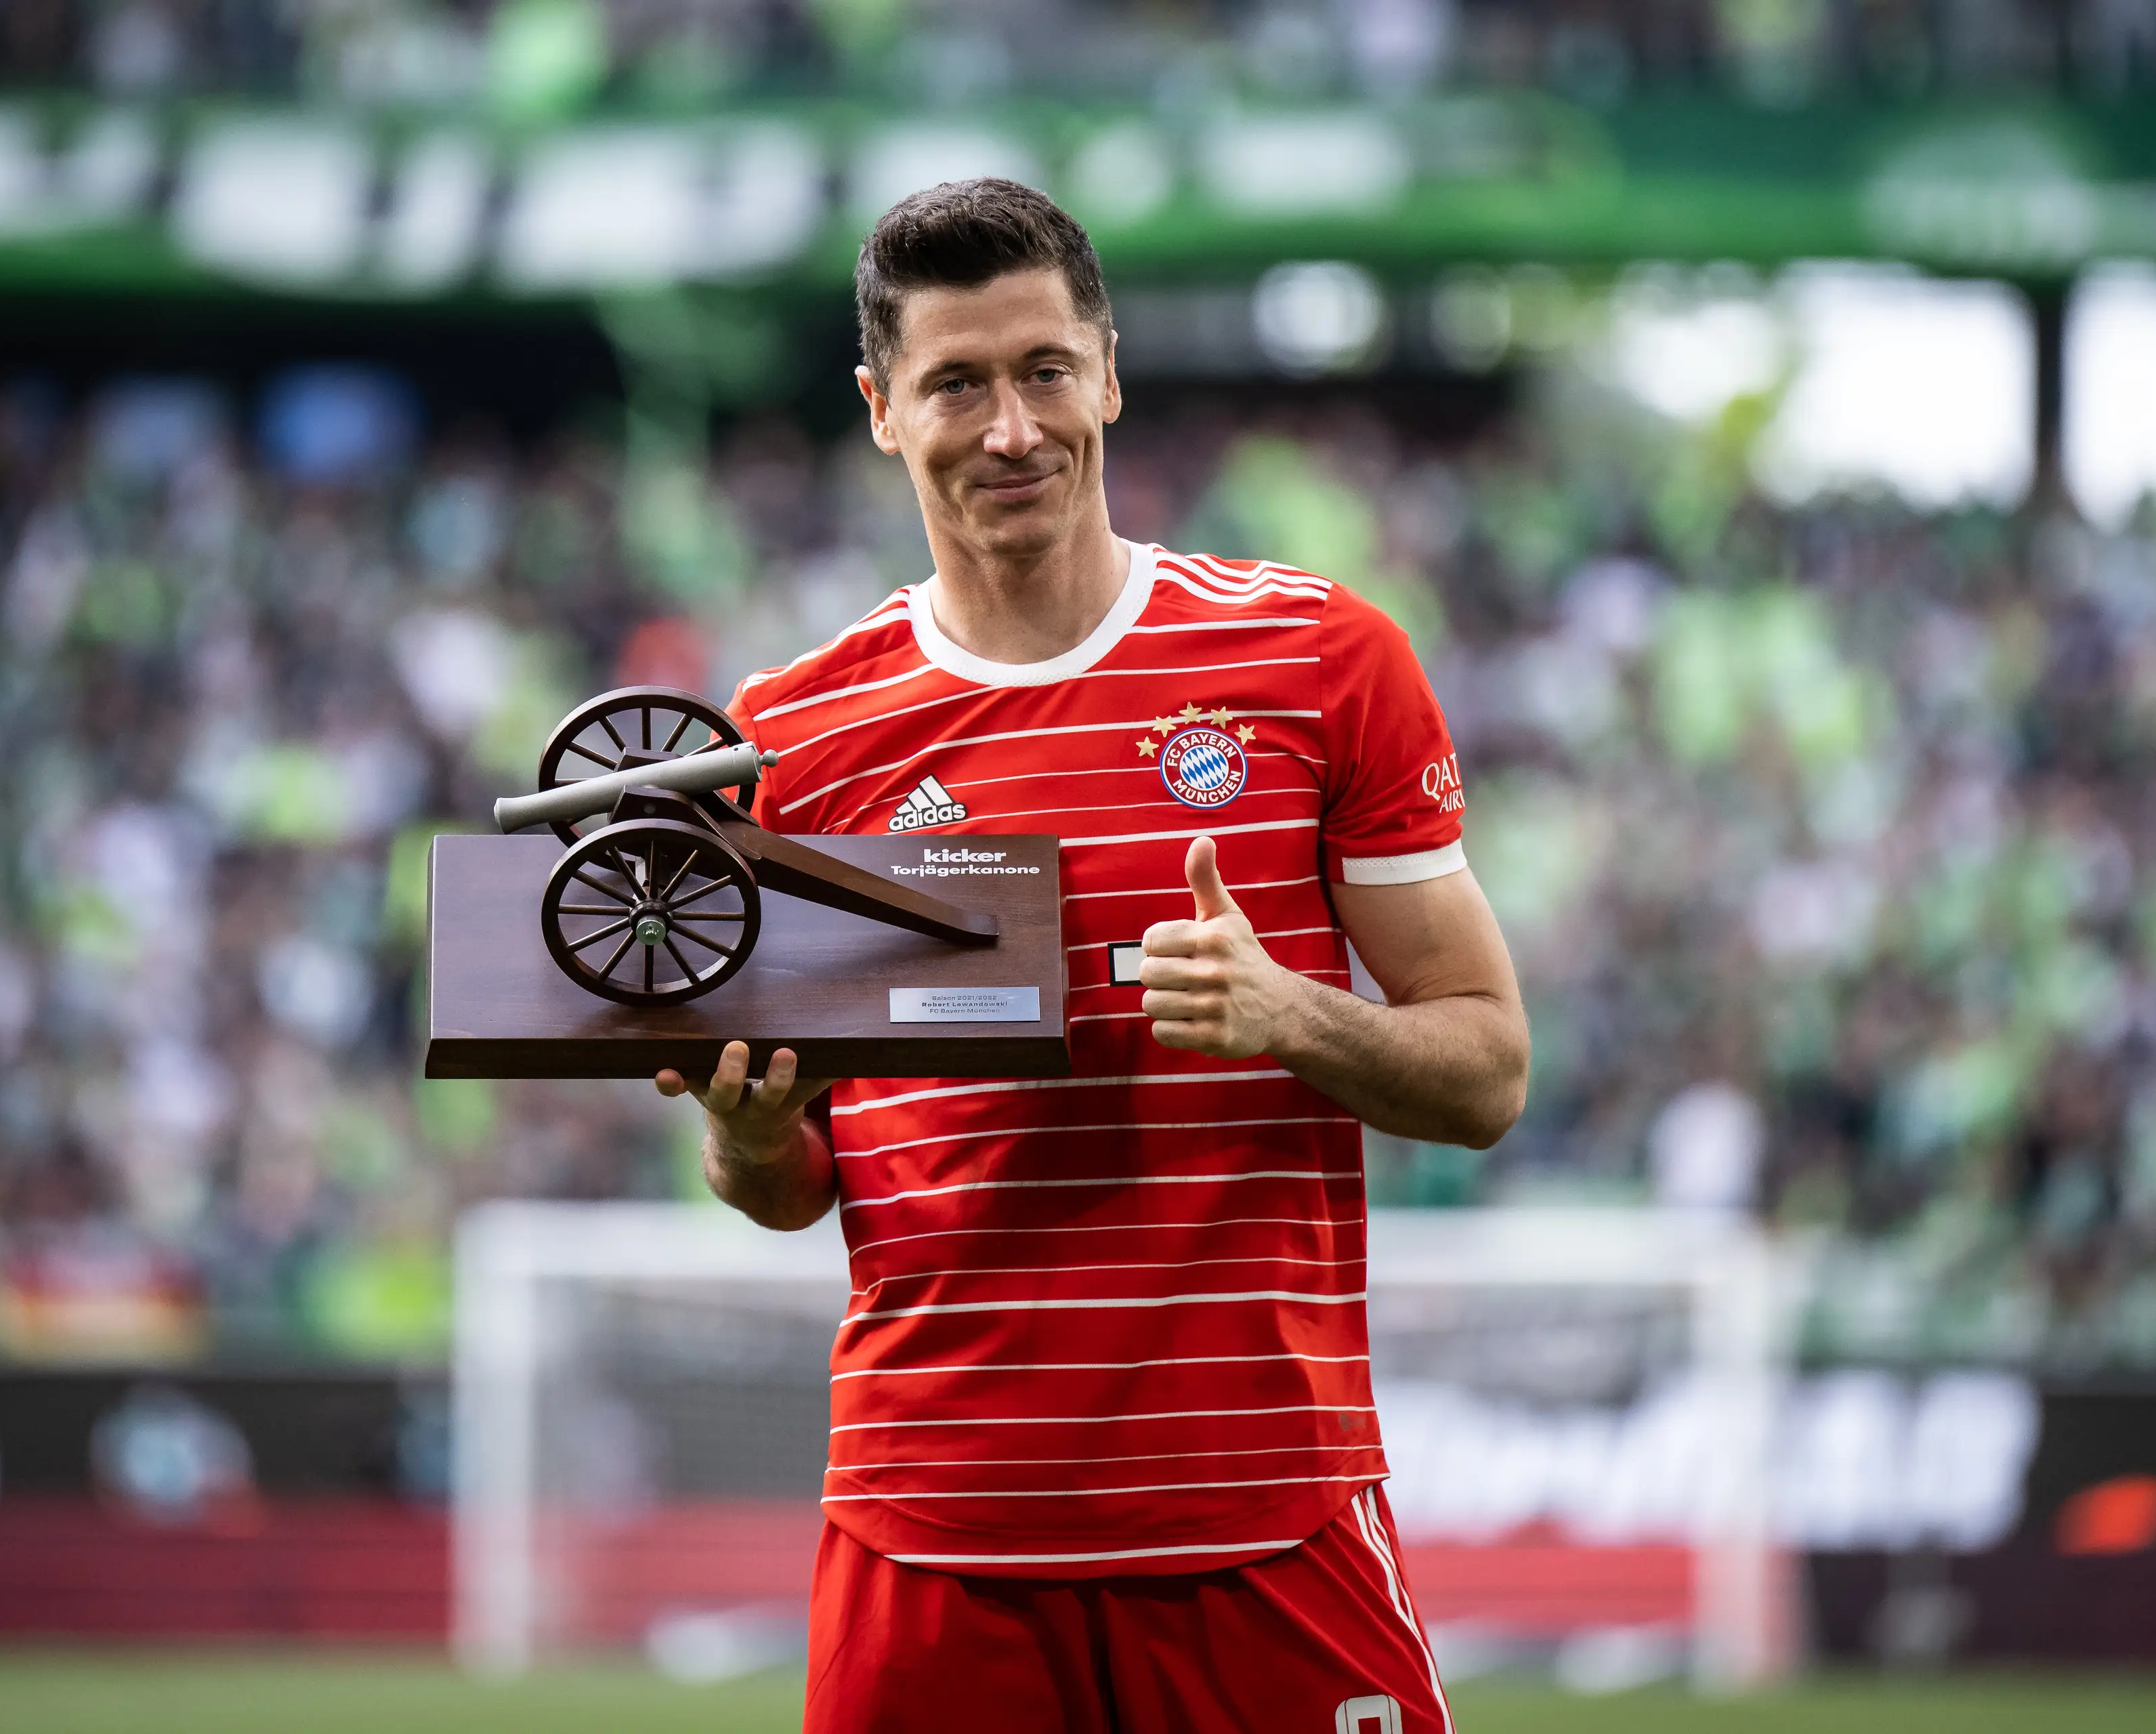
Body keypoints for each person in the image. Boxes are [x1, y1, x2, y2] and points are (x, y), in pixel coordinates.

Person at [654, 178, 1528, 1734]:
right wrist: (748, 1126)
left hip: (1267, 1520)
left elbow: (1486, 1071)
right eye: (957, 383)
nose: (1012, 428)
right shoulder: (791, 738)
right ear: (880, 409)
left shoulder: (1319, 663)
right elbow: (791, 1184)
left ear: (1109, 372)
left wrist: (1290, 1013)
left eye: (1045, 369)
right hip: (933, 1540)